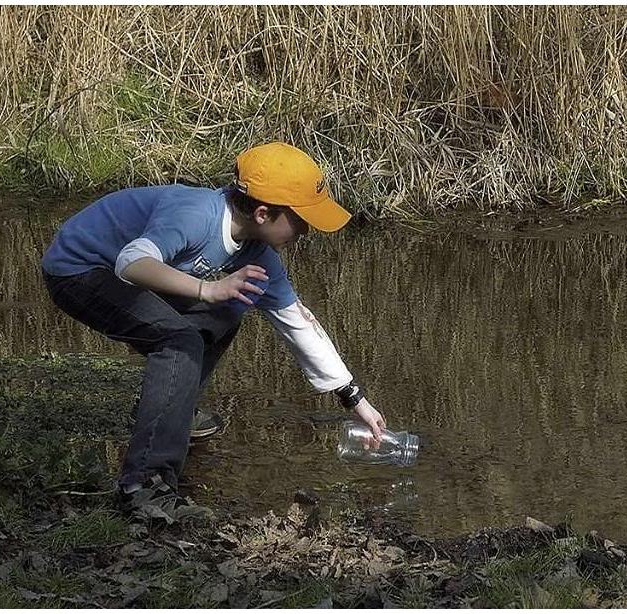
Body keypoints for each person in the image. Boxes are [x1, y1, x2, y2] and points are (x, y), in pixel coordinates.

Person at [40, 142, 386, 519]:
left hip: (130, 274)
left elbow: (297, 320)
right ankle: (144, 489)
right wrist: (208, 288)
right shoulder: (195, 214)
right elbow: (131, 262)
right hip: (79, 270)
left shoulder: (256, 250)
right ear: (263, 212)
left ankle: (173, 411)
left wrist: (354, 398)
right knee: (179, 338)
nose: (306, 231)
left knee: (226, 313)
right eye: (301, 219)